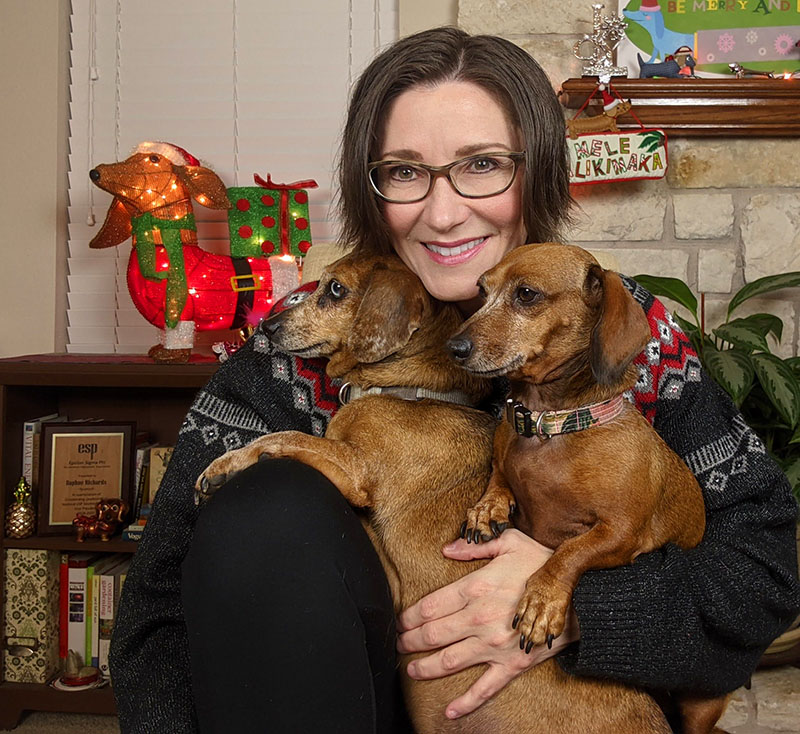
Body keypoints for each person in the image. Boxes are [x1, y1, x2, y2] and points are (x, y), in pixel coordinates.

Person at [109, 26, 800, 734]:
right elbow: (155, 615)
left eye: (482, 165)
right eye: (404, 172)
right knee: (265, 506)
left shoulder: (626, 336)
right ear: (369, 188)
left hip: (567, 713)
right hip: (349, 704)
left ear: (539, 175)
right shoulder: (303, 342)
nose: (442, 213)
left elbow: (766, 574)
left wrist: (576, 605)